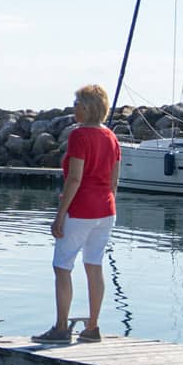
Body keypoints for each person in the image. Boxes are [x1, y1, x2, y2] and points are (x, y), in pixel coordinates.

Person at [37, 83, 120, 343]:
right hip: (106, 209)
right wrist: (106, 203)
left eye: (76, 103)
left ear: (87, 108)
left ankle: (62, 327)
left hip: (81, 208)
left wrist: (60, 214)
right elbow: (114, 181)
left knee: (62, 266)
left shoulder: (79, 136)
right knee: (94, 265)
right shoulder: (111, 137)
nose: (73, 107)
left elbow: (74, 178)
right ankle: (92, 327)